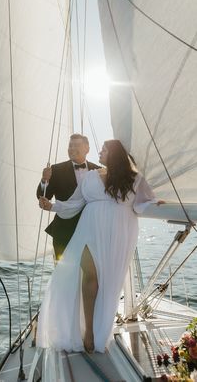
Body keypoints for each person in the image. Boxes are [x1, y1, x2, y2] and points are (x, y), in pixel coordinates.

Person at [37, 140, 163, 353]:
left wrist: (156, 203)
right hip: (89, 230)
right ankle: (89, 333)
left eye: (104, 150)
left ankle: (102, 327)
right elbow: (76, 202)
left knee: (109, 282)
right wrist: (54, 206)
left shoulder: (135, 179)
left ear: (114, 154)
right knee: (90, 277)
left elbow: (143, 203)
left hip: (119, 233)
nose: (100, 152)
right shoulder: (90, 177)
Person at [36, 133, 99, 260]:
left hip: (91, 230)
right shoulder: (56, 169)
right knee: (61, 270)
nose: (72, 148)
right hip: (63, 230)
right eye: (70, 145)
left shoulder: (98, 170)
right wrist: (44, 180)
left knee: (89, 272)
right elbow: (43, 196)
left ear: (87, 149)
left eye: (76, 145)